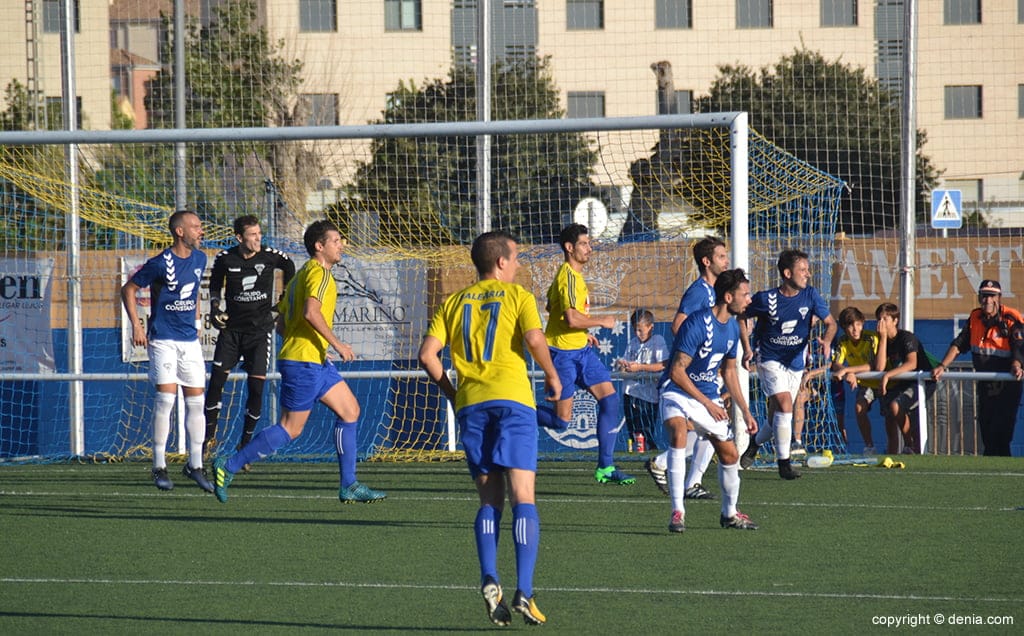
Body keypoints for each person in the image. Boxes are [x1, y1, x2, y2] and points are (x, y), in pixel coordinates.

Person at [418, 230, 561, 626]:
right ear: (501, 262)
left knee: (489, 501)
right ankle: (525, 591)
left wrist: (452, 394)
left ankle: (488, 576)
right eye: (515, 258)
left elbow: (427, 355)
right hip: (513, 402)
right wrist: (552, 375)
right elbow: (534, 338)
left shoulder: (453, 302)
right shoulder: (519, 297)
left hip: (472, 406)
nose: (518, 265)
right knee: (523, 497)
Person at [213, 220, 385, 504]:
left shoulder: (300, 276)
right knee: (290, 428)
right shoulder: (319, 274)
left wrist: (316, 346)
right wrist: (336, 343)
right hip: (303, 363)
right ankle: (228, 465)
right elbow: (310, 313)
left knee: (350, 410)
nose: (341, 245)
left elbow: (279, 322)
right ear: (320, 246)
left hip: (312, 360)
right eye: (336, 240)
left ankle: (349, 485)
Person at [119, 209, 213, 493]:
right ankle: (159, 465)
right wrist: (137, 325)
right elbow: (128, 289)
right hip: (163, 340)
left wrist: (197, 322)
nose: (201, 231)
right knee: (166, 400)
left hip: (189, 342)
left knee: (197, 402)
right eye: (196, 226)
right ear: (180, 231)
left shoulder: (200, 258)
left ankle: (195, 465)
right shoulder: (161, 263)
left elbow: (195, 291)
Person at [660, 268, 760, 532]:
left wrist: (746, 412)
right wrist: (708, 403)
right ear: (728, 297)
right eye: (745, 294)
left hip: (706, 396)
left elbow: (729, 372)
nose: (748, 299)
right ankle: (677, 511)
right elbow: (677, 371)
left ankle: (729, 514)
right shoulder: (697, 323)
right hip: (677, 391)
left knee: (730, 454)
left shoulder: (731, 330)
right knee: (679, 432)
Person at [536, 223, 634, 484]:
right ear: (570, 248)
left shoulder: (572, 277)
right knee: (561, 422)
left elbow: (551, 305)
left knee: (610, 400)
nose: (589, 248)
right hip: (562, 356)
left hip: (581, 350)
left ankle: (606, 467)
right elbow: (569, 318)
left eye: (589, 243)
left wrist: (582, 332)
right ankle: (514, 410)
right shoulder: (567, 276)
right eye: (584, 244)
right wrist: (600, 322)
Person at [204, 215, 295, 459]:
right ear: (239, 237)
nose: (258, 238)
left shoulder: (269, 255)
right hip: (231, 331)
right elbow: (214, 284)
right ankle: (207, 438)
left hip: (259, 332)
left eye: (259, 233)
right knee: (215, 384)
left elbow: (289, 267)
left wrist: (283, 297)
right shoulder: (225, 258)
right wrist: (215, 307)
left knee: (256, 389)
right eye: (253, 234)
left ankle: (244, 446)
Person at [740, 249, 837, 479]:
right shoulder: (767, 299)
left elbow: (831, 323)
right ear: (786, 273)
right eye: (802, 270)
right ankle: (784, 463)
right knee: (785, 405)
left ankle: (755, 444)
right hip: (770, 357)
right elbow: (741, 314)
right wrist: (746, 347)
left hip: (796, 360)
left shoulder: (811, 295)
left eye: (808, 269)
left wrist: (827, 341)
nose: (808, 274)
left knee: (777, 416)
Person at [647, 236, 730, 499]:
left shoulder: (714, 291)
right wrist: (698, 355)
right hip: (693, 374)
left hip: (706, 371)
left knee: (710, 426)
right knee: (709, 425)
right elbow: (678, 324)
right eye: (721, 257)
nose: (726, 261)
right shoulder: (699, 291)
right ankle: (677, 473)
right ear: (707, 262)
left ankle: (687, 478)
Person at [931, 280, 1024, 456]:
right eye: (984, 295)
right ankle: (989, 474)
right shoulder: (975, 318)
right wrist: (942, 366)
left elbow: (1019, 347)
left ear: (999, 298)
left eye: (992, 296)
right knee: (987, 432)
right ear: (979, 297)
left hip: (1008, 385)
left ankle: (1003, 474)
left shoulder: (1011, 318)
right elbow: (959, 344)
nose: (988, 300)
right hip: (986, 385)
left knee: (1001, 433)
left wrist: (1016, 365)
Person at [874, 302, 936, 454]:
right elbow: (879, 367)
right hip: (902, 383)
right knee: (888, 410)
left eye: (885, 319)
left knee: (897, 406)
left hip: (921, 382)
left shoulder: (906, 337)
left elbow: (912, 363)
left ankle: (910, 445)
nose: (881, 323)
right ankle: (894, 450)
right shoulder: (882, 340)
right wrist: (882, 339)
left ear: (895, 321)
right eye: (878, 320)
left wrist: (888, 375)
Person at [616, 308, 668, 452]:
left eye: (640, 330)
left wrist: (640, 367)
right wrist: (623, 365)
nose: (637, 334)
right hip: (630, 391)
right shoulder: (633, 343)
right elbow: (626, 362)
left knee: (646, 429)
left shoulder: (658, 341)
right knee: (633, 428)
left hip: (648, 395)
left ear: (651, 327)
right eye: (635, 330)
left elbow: (663, 364)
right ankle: (634, 454)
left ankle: (652, 453)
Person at [831, 306, 881, 454]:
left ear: (863, 323)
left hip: (883, 383)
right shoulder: (843, 341)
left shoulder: (871, 338)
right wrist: (846, 373)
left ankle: (908, 447)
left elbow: (874, 365)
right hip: (866, 385)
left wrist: (848, 370)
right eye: (850, 325)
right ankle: (870, 446)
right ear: (844, 327)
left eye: (858, 324)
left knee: (892, 415)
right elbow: (836, 363)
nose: (855, 329)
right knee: (859, 408)